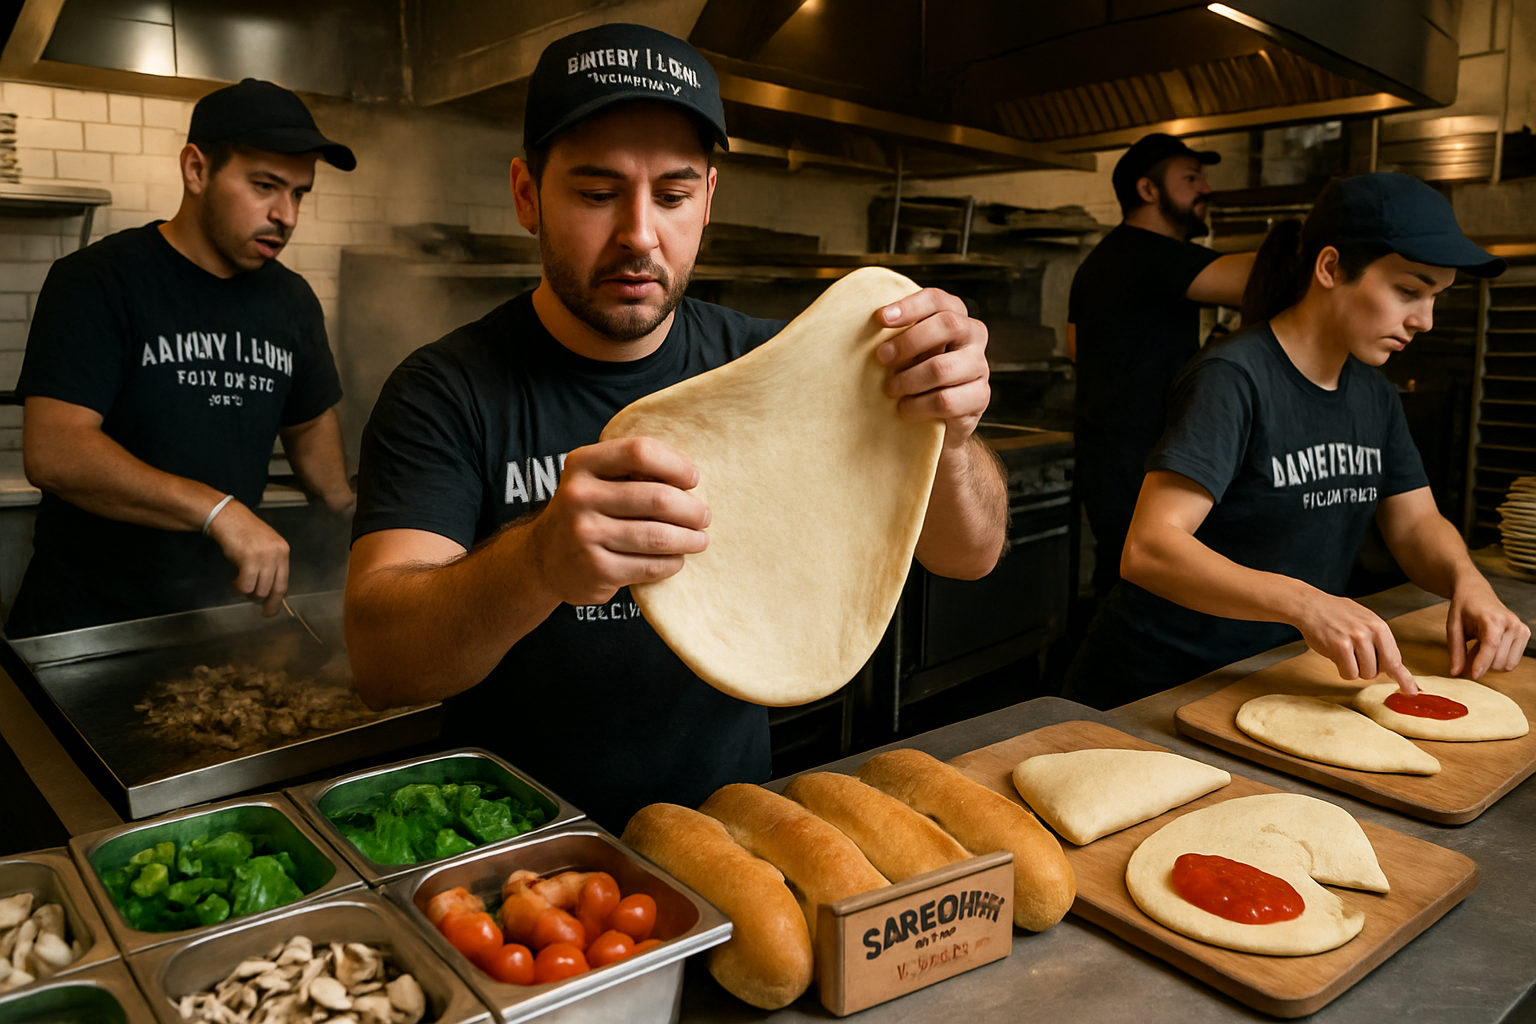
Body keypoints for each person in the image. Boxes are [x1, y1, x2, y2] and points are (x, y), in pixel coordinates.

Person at [343, 24, 1008, 830]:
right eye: (596, 193)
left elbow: (970, 554)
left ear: (708, 199)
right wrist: (540, 560)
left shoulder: (779, 366)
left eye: (672, 194)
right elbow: (384, 664)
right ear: (527, 195)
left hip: (726, 833)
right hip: (511, 857)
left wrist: (952, 437)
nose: (639, 235)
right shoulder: (446, 390)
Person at [1063, 172, 1529, 710]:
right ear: (1330, 268)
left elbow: (1415, 523)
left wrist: (1466, 580)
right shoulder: (1234, 378)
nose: (1424, 320)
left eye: (1435, 298)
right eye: (1408, 290)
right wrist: (1307, 603)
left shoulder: (1373, 394)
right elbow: (1149, 550)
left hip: (1264, 678)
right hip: (1156, 686)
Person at [7, 79, 357, 638]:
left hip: (216, 618)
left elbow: (310, 419)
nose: (286, 215)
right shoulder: (98, 281)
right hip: (89, 623)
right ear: (196, 170)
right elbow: (55, 449)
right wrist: (221, 511)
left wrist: (349, 512)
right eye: (265, 186)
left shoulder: (291, 300)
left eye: (299, 194)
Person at [1068, 133, 1255, 600]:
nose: (1205, 188)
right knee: (1145, 593)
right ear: (1148, 190)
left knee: (1122, 584)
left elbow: (1075, 346)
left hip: (1112, 458)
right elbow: (1261, 282)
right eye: (1190, 178)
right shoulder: (1147, 253)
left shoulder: (1105, 257)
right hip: (1139, 462)